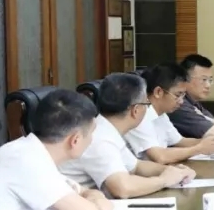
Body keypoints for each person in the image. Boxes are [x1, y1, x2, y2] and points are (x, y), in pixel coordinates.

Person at [62, 72, 195, 198]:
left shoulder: (107, 128)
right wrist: (163, 180)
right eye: (146, 104)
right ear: (135, 110)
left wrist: (172, 171)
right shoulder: (99, 138)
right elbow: (122, 189)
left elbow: (136, 166)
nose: (147, 109)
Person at [125, 63, 214, 164]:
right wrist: (199, 148)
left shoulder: (161, 114)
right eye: (178, 95)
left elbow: (180, 141)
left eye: (183, 95)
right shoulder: (139, 115)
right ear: (158, 92)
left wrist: (208, 142)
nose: (181, 101)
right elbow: (160, 157)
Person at [168, 54, 214, 139]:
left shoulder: (194, 102)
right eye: (204, 79)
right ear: (185, 79)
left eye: (210, 80)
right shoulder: (179, 104)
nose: (208, 85)